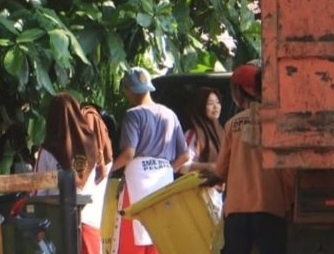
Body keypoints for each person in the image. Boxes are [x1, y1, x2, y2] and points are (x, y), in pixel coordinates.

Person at [213, 63, 294, 254]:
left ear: (239, 92)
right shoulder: (277, 122)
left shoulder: (232, 125)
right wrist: (289, 202)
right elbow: (288, 170)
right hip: (270, 207)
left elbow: (221, 170)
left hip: (237, 210)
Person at [111, 67, 191, 254]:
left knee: (134, 233)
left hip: (137, 178)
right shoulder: (169, 114)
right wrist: (166, 169)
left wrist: (109, 169)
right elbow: (184, 155)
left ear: (128, 90)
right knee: (159, 233)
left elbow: (129, 153)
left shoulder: (133, 115)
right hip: (163, 178)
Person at [34, 92, 111, 254]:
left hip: (56, 224)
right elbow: (101, 179)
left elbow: (38, 192)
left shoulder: (48, 150)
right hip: (90, 222)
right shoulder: (93, 145)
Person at [179, 87, 225, 212]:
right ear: (200, 106)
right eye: (210, 103)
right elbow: (182, 166)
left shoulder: (222, 133)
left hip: (219, 196)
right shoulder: (193, 134)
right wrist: (209, 167)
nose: (215, 107)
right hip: (199, 195)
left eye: (218, 103)